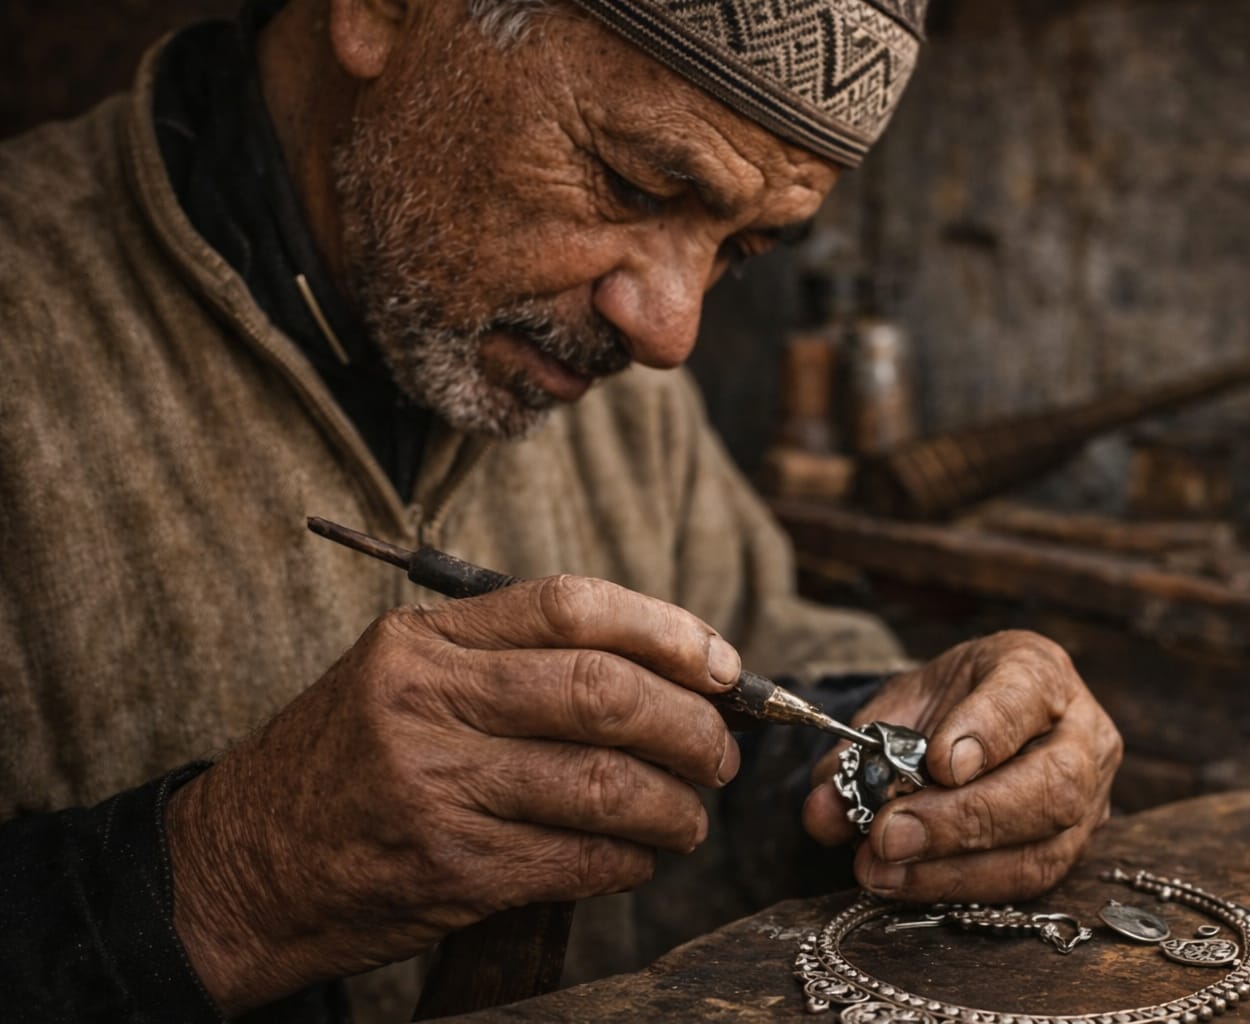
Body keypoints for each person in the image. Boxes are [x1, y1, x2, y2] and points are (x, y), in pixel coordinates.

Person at [0, 0, 1123, 1020]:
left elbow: (765, 662)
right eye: (635, 185)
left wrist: (912, 759)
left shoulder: (594, 374)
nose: (670, 332)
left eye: (739, 247)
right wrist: (226, 874)